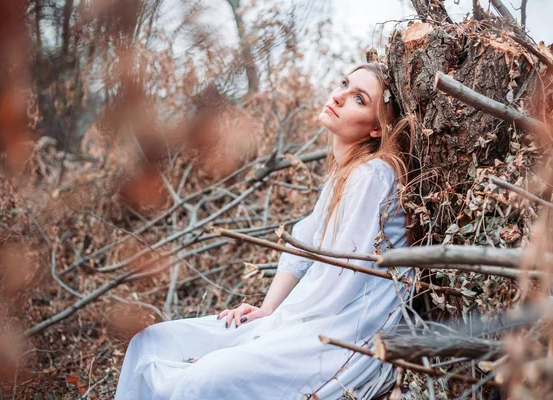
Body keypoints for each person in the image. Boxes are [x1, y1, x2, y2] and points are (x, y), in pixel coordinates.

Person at [115, 61, 416, 400]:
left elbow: (339, 285)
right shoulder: (345, 173)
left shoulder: (372, 176)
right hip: (302, 319)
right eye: (344, 84)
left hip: (339, 337)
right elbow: (303, 243)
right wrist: (268, 309)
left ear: (377, 128)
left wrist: (262, 333)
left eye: (359, 99)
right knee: (148, 341)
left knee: (201, 379)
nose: (339, 96)